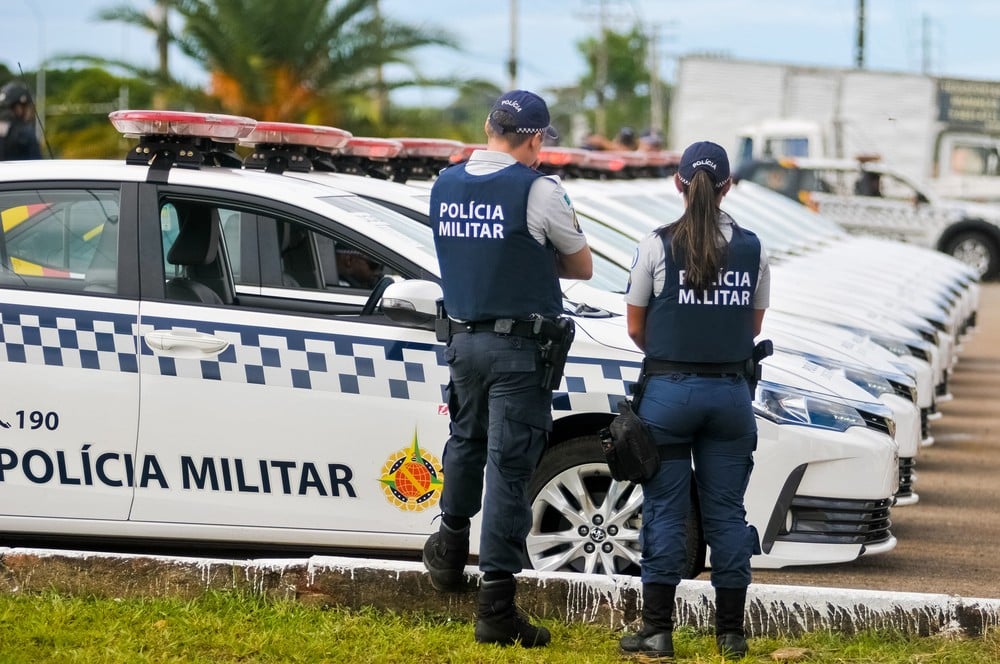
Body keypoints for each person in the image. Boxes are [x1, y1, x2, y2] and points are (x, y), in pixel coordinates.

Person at [422, 89, 593, 648]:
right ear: (535, 139)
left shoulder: (445, 184)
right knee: (510, 468)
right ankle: (496, 607)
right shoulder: (539, 189)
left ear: (488, 127)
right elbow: (582, 265)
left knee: (465, 444)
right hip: (519, 350)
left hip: (463, 343)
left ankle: (447, 549)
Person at [619, 141, 770, 660]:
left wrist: (674, 353)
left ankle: (657, 630)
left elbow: (636, 325)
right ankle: (731, 634)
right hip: (730, 394)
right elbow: (751, 325)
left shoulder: (655, 244)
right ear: (728, 186)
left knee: (664, 509)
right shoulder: (753, 247)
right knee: (727, 512)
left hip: (668, 392)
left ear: (678, 184)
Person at [0, 81, 42, 161]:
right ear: (18, 107)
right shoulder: (25, 132)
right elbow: (37, 166)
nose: (30, 111)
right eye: (28, 106)